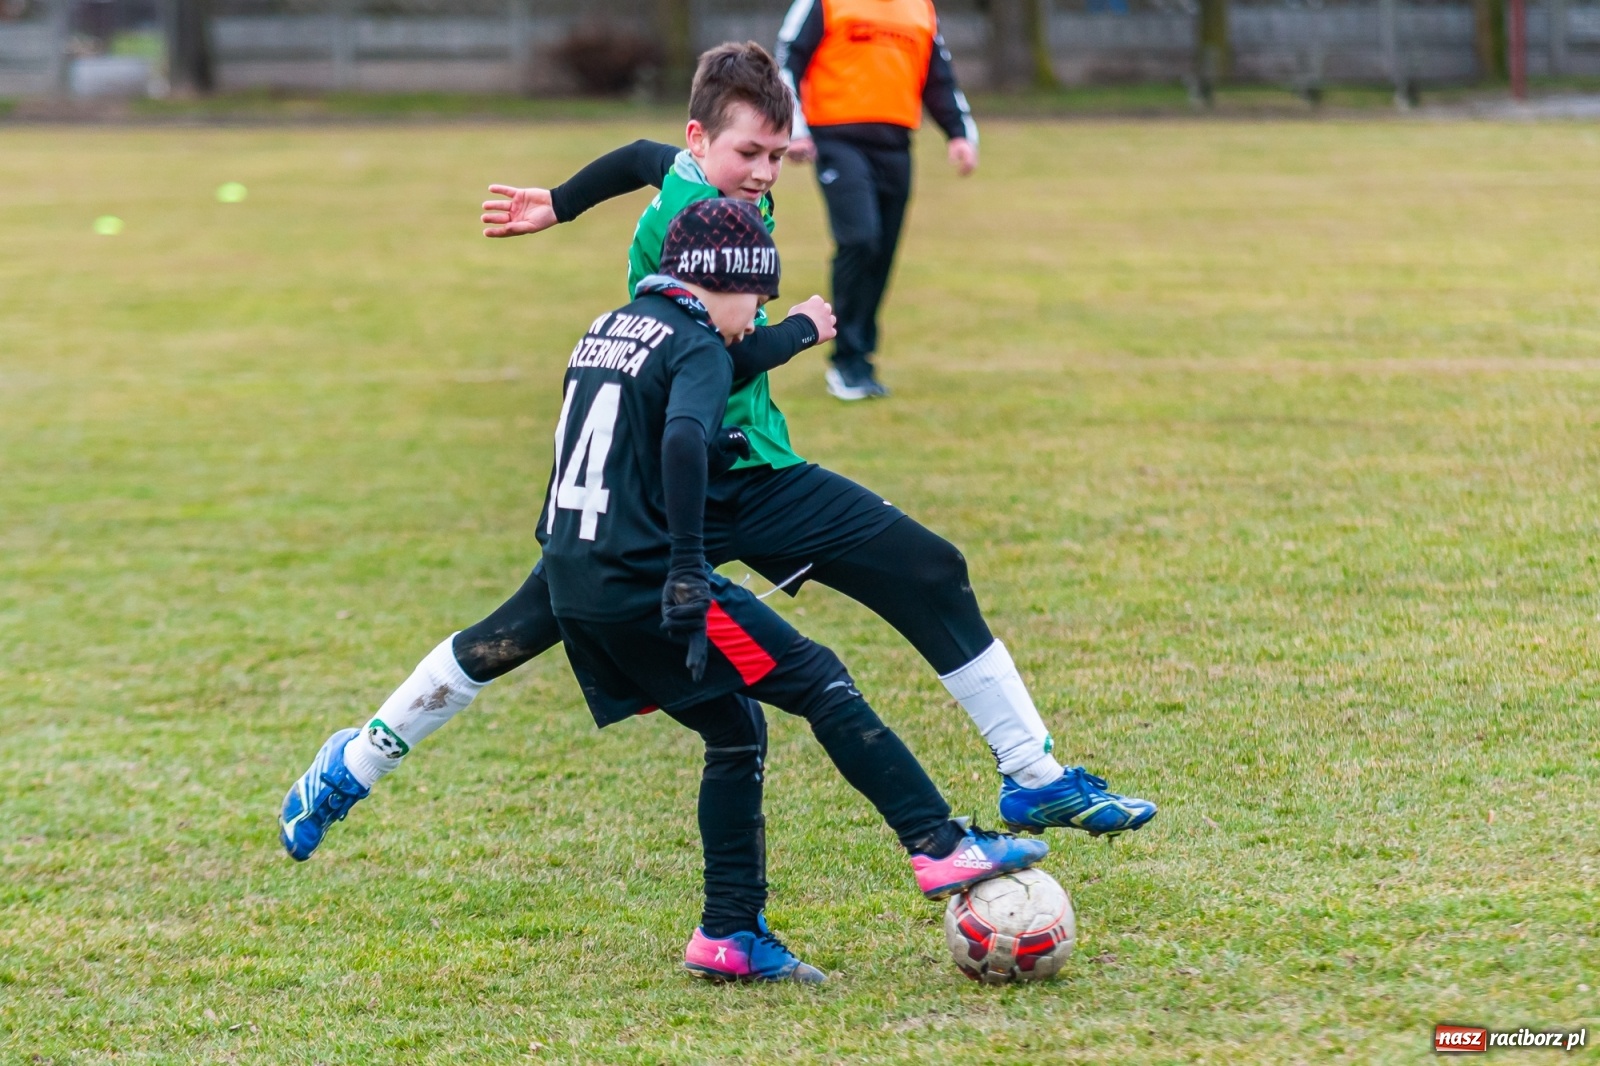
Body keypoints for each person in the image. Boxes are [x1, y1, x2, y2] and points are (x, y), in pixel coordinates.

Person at [279, 42, 1154, 868]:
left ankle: (1034, 777)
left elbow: (635, 152)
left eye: (779, 153)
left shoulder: (701, 171)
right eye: (754, 154)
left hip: (705, 469)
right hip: (693, 473)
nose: (768, 174)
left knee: (927, 570)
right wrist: (799, 332)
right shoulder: (684, 224)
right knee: (509, 637)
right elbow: (707, 367)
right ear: (706, 140)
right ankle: (352, 764)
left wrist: (560, 199)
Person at [539, 197, 1046, 982]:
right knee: (821, 680)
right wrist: (682, 564)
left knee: (735, 731)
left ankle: (727, 934)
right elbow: (681, 437)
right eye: (759, 298)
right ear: (727, 282)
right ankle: (938, 845)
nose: (759, 315)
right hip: (653, 582)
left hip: (578, 586)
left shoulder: (610, 326)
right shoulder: (700, 343)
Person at [776, 0, 979, 400]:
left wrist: (959, 133)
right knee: (860, 239)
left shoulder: (919, 8)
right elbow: (787, 61)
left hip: (896, 146)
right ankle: (846, 360)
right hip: (837, 140)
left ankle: (860, 359)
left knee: (882, 251)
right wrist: (793, 127)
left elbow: (938, 77)